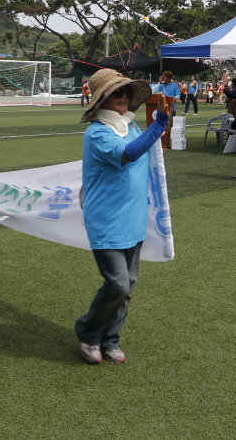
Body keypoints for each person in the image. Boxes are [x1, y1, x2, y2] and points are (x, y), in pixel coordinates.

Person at [75, 68, 169, 364]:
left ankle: (110, 338)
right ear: (101, 100)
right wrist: (158, 126)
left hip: (133, 217)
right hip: (106, 219)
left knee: (128, 286)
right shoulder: (97, 132)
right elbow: (127, 154)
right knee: (118, 283)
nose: (123, 96)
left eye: (125, 91)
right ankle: (88, 333)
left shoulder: (130, 126)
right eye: (116, 92)